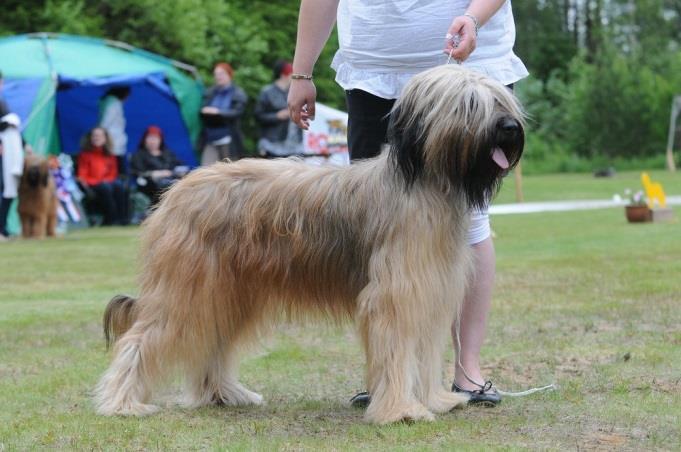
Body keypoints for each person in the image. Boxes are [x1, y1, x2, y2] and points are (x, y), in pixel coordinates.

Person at [288, 0, 528, 407]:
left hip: (471, 66)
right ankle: (392, 380)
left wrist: (473, 17)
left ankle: (464, 373)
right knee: (374, 224)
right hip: (373, 71)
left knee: (468, 222)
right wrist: (301, 71)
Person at [77, 127, 128, 226]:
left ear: (105, 138)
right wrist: (97, 181)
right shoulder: (85, 155)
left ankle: (123, 219)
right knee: (105, 188)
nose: (97, 138)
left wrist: (105, 180)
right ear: (91, 138)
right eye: (95, 135)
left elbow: (113, 173)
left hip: (107, 182)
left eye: (100, 135)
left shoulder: (110, 155)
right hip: (92, 183)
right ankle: (111, 219)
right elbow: (82, 174)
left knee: (119, 186)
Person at [200, 62, 247, 165]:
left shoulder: (237, 93)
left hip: (229, 139)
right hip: (210, 137)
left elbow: (238, 112)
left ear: (229, 74)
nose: (218, 77)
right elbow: (202, 108)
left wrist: (218, 112)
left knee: (229, 171)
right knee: (206, 168)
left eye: (221, 74)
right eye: (216, 74)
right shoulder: (210, 92)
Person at [254, 60, 304, 157]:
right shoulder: (267, 92)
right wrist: (276, 116)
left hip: (294, 145)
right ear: (284, 74)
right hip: (273, 144)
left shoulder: (296, 91)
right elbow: (258, 116)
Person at [130, 125, 184, 206]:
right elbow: (137, 172)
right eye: (150, 138)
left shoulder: (167, 153)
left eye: (155, 138)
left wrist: (179, 172)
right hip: (150, 185)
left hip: (171, 180)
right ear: (145, 140)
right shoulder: (138, 155)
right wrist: (154, 173)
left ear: (160, 140)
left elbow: (179, 165)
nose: (152, 141)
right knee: (166, 187)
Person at [0, 113, 25, 239]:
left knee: (7, 199)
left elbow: (22, 142)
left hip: (7, 171)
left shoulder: (14, 135)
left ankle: (2, 228)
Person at [99, 86, 131, 171]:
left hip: (112, 139)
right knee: (116, 166)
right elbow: (105, 122)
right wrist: (102, 135)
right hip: (112, 140)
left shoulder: (106, 101)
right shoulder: (113, 103)